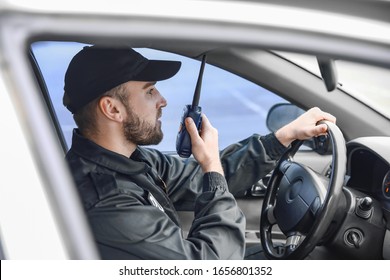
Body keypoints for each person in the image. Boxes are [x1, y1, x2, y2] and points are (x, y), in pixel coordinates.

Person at [63, 45, 336, 260]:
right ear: (113, 109)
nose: (163, 100)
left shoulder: (132, 160)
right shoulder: (109, 203)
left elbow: (198, 177)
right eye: (149, 91)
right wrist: (212, 166)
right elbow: (212, 263)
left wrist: (283, 136)